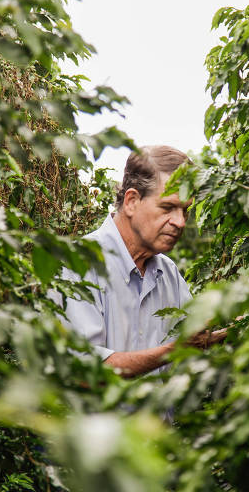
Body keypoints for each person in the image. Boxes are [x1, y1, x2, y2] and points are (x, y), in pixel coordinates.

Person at [57, 145, 225, 377]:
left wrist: (238, 327)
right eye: (168, 207)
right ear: (132, 201)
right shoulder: (78, 263)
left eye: (185, 211)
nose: (181, 222)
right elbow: (85, 370)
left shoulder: (168, 273)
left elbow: (193, 343)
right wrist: (174, 350)